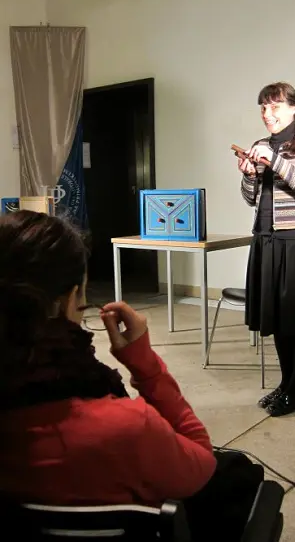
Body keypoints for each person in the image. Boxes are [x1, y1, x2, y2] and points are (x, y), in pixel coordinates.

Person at [0, 210, 263, 541]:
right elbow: (201, 465)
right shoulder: (123, 426)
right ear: (67, 301)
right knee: (238, 474)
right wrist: (146, 365)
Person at [238, 81, 295, 417]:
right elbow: (251, 199)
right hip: (266, 239)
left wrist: (274, 161)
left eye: (275, 106)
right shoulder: (260, 145)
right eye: (264, 107)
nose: (268, 113)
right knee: (278, 318)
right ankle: (286, 383)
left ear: (293, 108)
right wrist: (249, 174)